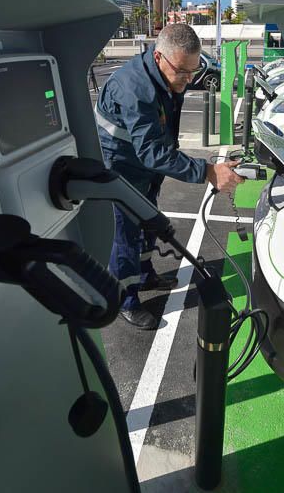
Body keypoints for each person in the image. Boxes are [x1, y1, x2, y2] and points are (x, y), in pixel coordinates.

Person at [96, 23, 243, 329]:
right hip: (120, 168)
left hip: (145, 166)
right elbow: (150, 151)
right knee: (125, 235)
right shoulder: (133, 88)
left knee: (149, 219)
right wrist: (207, 171)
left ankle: (146, 272)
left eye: (194, 71)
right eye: (182, 72)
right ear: (159, 57)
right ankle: (126, 298)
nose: (188, 80)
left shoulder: (168, 75)